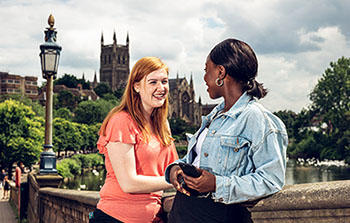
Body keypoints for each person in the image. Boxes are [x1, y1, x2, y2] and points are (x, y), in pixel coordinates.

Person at [165, 38, 288, 222]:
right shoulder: (214, 115)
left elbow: (272, 180)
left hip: (219, 216)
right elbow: (199, 160)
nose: (204, 78)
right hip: (183, 212)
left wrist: (217, 184)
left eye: (207, 71)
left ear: (221, 72)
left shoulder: (258, 118)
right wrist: (175, 168)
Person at [89, 57, 179, 223]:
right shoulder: (122, 120)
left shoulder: (162, 124)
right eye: (153, 82)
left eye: (164, 81)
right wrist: (175, 180)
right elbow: (129, 183)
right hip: (116, 218)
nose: (161, 88)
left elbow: (173, 168)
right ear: (136, 86)